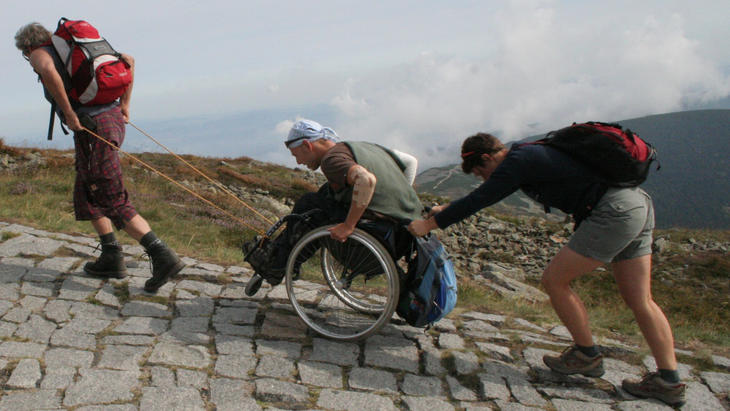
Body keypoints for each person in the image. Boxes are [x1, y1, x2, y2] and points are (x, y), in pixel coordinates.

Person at [407, 132, 686, 407]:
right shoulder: (527, 154)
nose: (483, 177)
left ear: (487, 156)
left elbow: (482, 199)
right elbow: (486, 193)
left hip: (612, 212)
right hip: (635, 204)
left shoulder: (518, 161)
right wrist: (445, 208)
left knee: (554, 281)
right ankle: (669, 380)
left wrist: (429, 225)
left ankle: (586, 356)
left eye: (481, 171)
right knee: (641, 299)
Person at [15, 22, 185, 292]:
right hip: (110, 119)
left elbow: (46, 69)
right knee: (87, 185)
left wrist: (69, 114)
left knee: (108, 193)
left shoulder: (40, 52)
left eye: (26, 55)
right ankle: (111, 254)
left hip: (92, 126)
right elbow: (128, 60)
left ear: (27, 47)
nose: (30, 60)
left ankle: (162, 256)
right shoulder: (71, 49)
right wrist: (125, 105)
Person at [242, 119, 422, 295]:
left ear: (307, 145)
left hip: (377, 240)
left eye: (296, 155)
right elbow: (411, 162)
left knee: (310, 203)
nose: (298, 162)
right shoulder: (365, 147)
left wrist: (349, 225)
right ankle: (283, 257)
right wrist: (397, 203)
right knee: (325, 193)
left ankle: (277, 265)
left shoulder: (332, 160)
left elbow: (366, 180)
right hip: (402, 236)